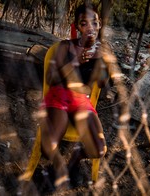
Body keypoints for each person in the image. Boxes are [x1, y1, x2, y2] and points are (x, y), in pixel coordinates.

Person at [38, 3, 111, 189]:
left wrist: (104, 63)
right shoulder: (65, 46)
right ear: (77, 27)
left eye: (94, 23)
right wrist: (75, 61)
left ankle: (73, 160)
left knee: (99, 149)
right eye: (84, 23)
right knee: (48, 149)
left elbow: (103, 88)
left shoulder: (100, 51)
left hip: (81, 100)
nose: (90, 28)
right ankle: (58, 164)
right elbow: (51, 78)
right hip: (59, 95)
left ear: (99, 24)